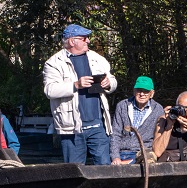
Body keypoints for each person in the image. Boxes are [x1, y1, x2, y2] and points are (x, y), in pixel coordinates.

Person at [42, 24, 119, 165]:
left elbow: (113, 81)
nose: (88, 41)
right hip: (72, 129)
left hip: (98, 126)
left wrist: (108, 84)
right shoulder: (53, 63)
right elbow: (49, 90)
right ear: (72, 41)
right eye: (84, 38)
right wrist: (75, 85)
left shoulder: (96, 58)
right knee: (75, 172)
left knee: (105, 170)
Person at [111, 75, 163, 165]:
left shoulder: (158, 109)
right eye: (139, 90)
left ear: (152, 93)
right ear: (134, 91)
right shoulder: (122, 106)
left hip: (143, 152)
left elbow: (159, 136)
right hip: (121, 151)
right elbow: (115, 133)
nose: (142, 94)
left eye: (146, 91)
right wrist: (115, 157)